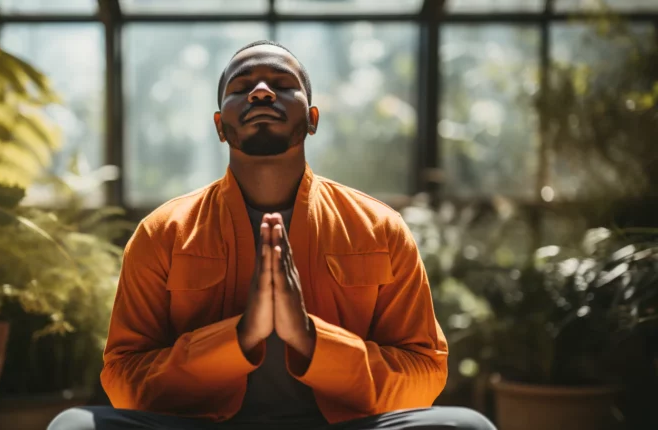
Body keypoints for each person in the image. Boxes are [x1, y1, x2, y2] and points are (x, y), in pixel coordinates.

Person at [49, 41, 495, 430]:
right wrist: (240, 337)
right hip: (201, 427)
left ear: (313, 118)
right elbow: (124, 380)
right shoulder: (164, 232)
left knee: (465, 425)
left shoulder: (377, 227)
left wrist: (309, 339)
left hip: (343, 427)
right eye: (242, 89)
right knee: (72, 426)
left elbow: (425, 374)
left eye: (282, 85)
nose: (261, 91)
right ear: (221, 125)